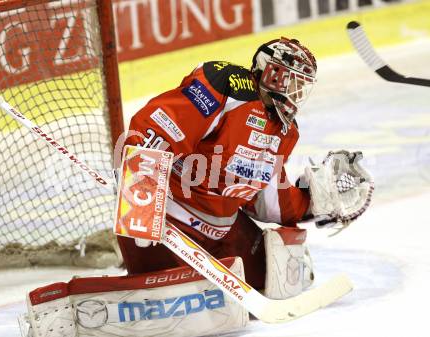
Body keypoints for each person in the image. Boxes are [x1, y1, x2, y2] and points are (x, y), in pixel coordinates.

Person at [21, 37, 373, 337]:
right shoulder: (226, 85)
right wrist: (140, 191)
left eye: (304, 86)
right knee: (182, 308)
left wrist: (314, 202)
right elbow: (155, 127)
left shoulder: (285, 131)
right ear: (273, 73)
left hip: (222, 232)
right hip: (165, 222)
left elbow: (268, 203)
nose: (298, 94)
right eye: (295, 82)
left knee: (271, 280)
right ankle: (74, 304)